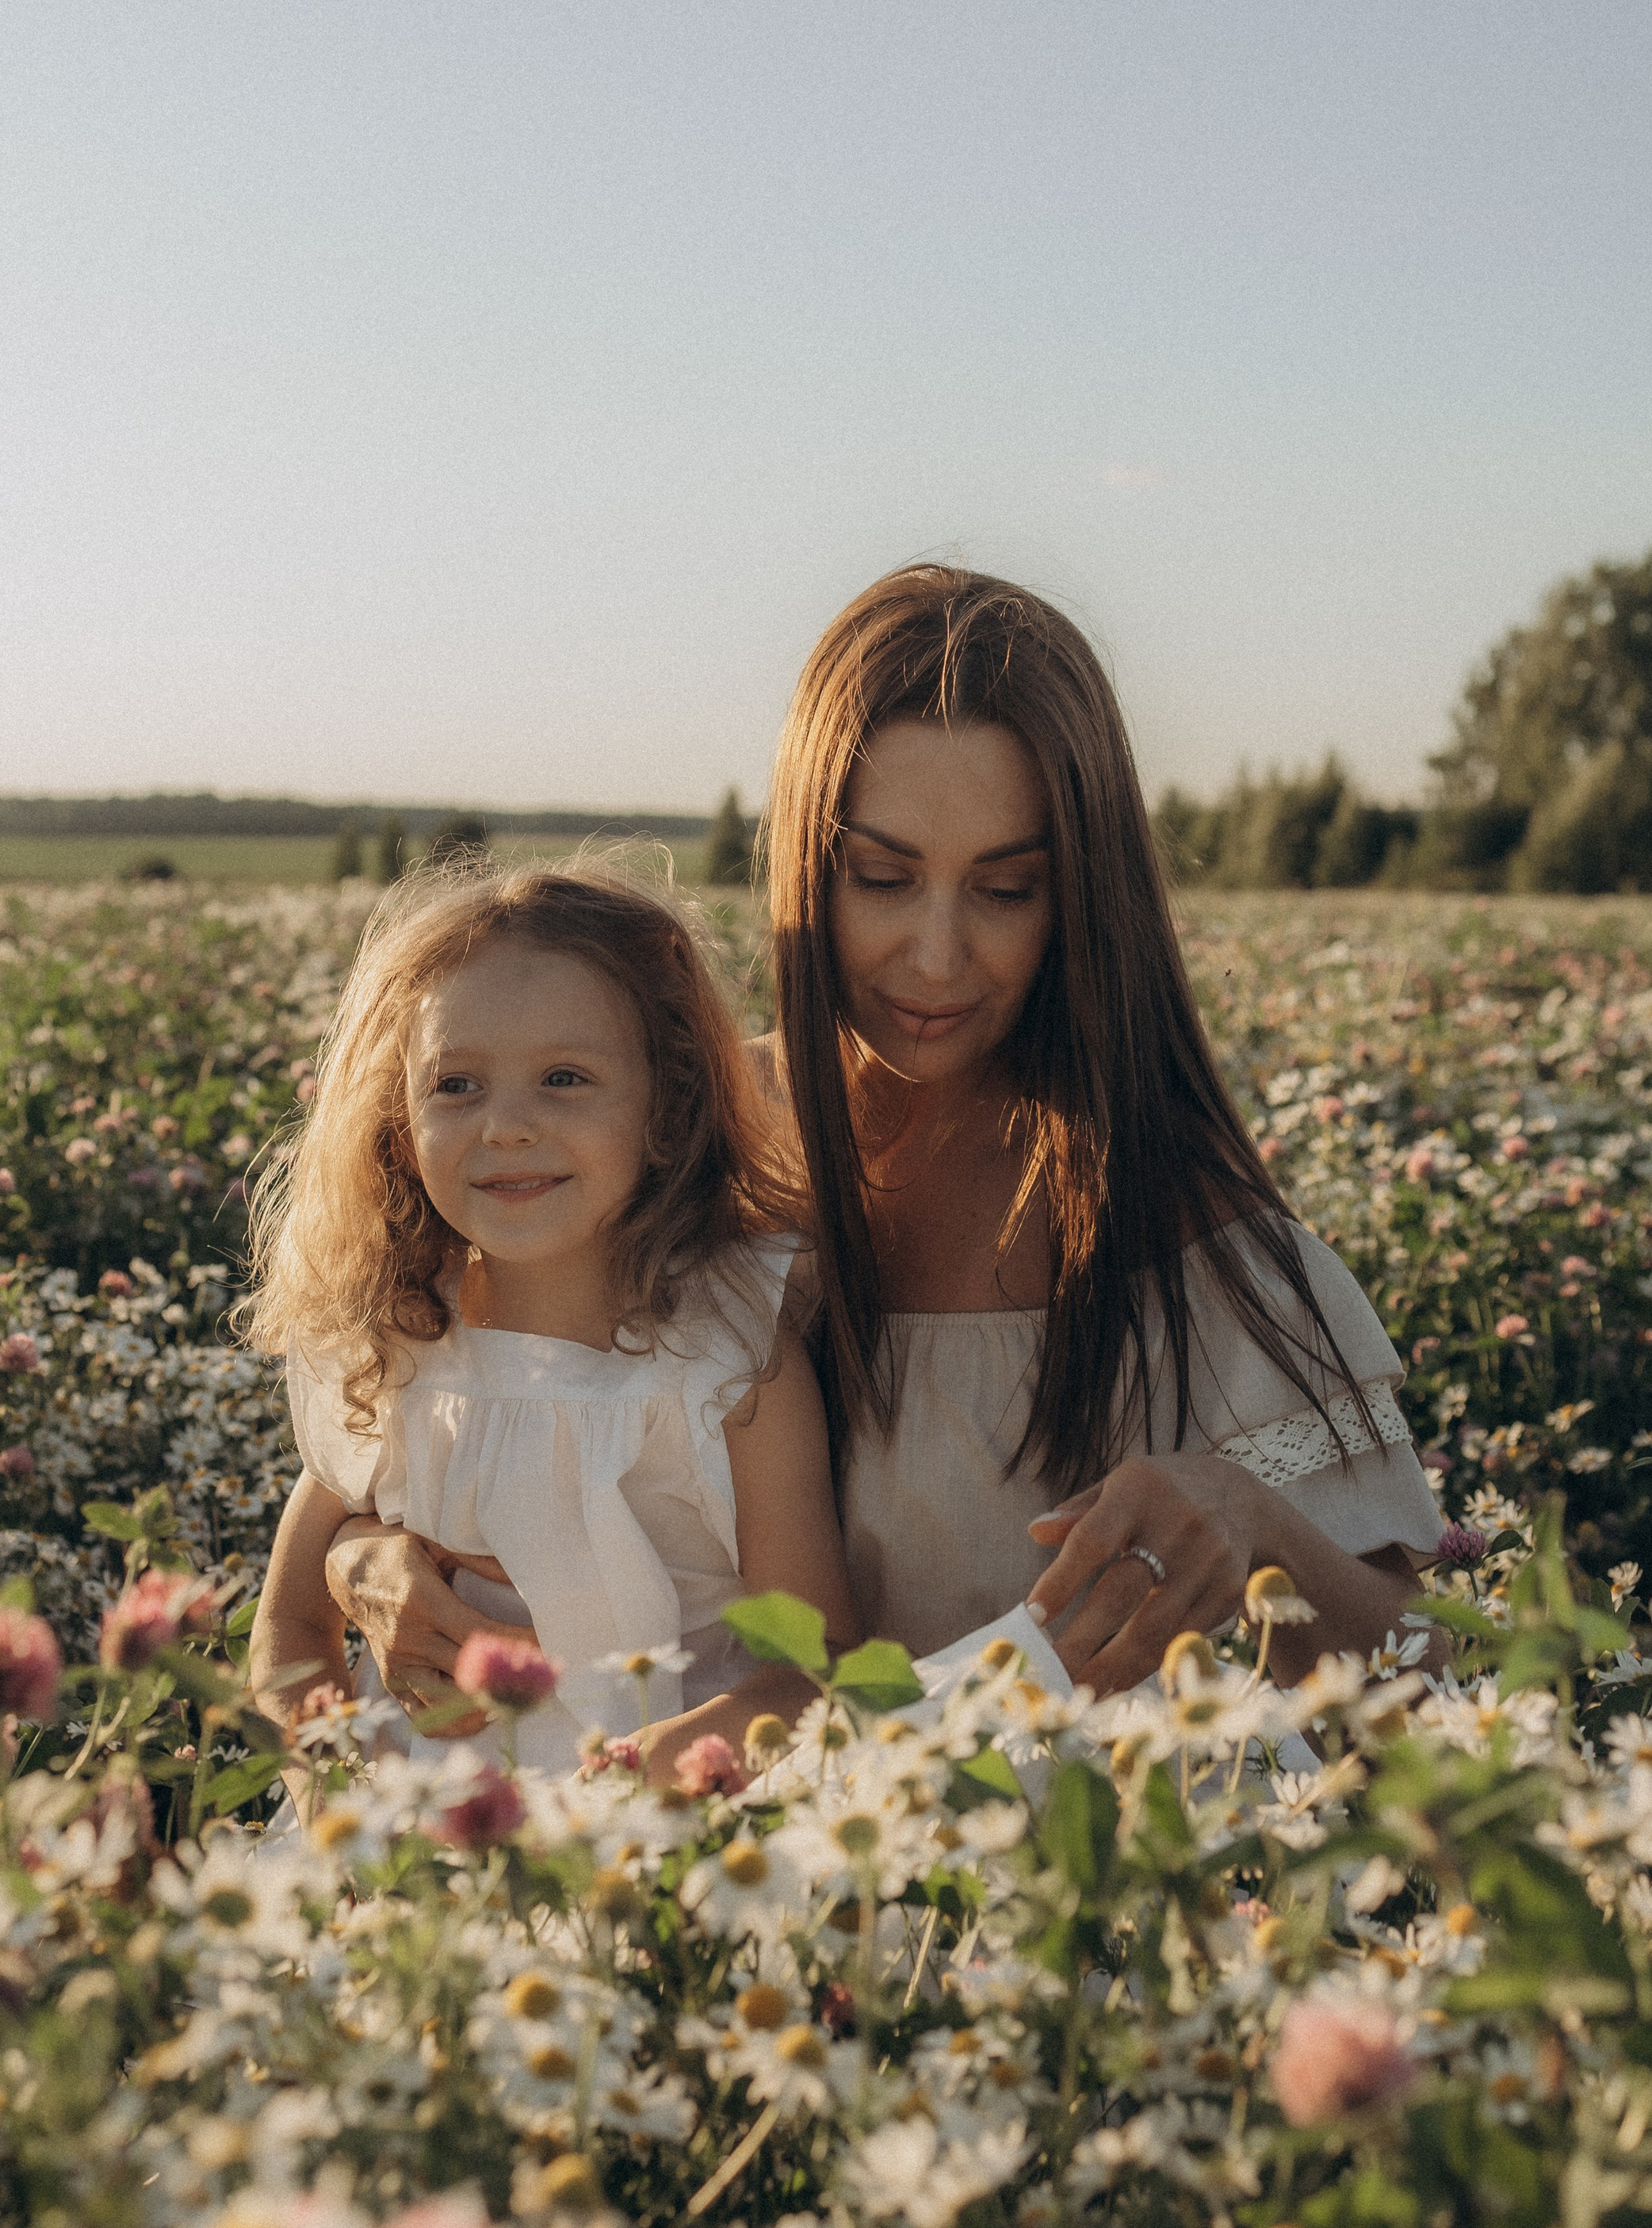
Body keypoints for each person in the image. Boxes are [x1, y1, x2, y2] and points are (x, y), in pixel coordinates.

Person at [325, 569, 1444, 1716]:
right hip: (669, 1856)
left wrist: (1256, 1531)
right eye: (882, 878)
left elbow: (1440, 1686)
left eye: (1006, 889)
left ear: (1084, 902)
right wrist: (360, 1556)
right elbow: (458, 1397)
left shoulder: (1177, 1219)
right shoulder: (665, 1148)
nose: (937, 954)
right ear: (807, 863)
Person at [243, 863, 859, 1774]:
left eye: (564, 1078)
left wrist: (651, 1775)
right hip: (414, 1859)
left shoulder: (730, 1366)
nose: (507, 1125)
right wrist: (331, 1797)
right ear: (397, 1120)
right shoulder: (395, 1343)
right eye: (456, 1085)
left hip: (654, 1849)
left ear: (667, 1106)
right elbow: (289, 1627)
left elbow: (817, 1669)